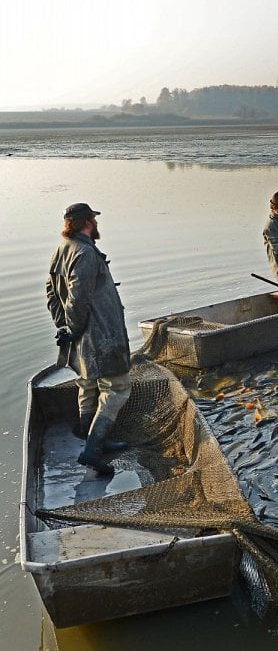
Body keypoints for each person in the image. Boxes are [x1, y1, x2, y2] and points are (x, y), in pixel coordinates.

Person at [46, 202, 132, 477]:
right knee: (116, 388)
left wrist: (63, 326)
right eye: (94, 219)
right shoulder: (84, 253)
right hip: (99, 335)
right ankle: (93, 449)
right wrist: (74, 327)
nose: (96, 224)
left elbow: (50, 291)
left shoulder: (62, 249)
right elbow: (77, 298)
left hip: (79, 334)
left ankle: (93, 441)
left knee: (88, 385)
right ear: (87, 223)